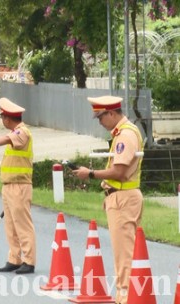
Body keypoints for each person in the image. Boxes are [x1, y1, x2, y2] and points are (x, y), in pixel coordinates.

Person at [73, 95, 144, 304]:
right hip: (122, 197)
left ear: (111, 113)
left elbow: (119, 171)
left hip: (122, 199)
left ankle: (126, 298)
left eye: (101, 117)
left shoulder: (125, 136)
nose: (100, 122)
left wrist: (91, 173)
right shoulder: (125, 132)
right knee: (123, 254)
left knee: (124, 256)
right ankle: (127, 296)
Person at [0, 97, 36, 275]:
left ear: (7, 118)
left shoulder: (22, 132)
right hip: (9, 186)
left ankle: (29, 261)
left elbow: (10, 138)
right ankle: (14, 259)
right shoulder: (16, 133)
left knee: (22, 225)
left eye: (3, 117)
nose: (2, 121)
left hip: (20, 186)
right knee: (11, 226)